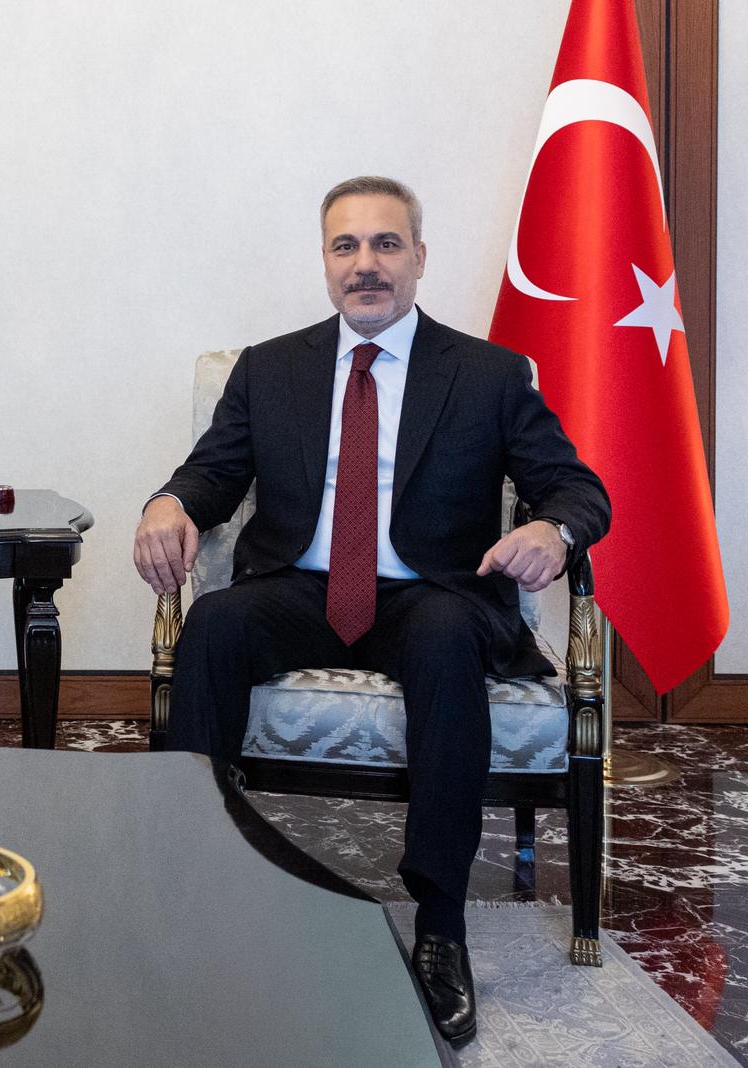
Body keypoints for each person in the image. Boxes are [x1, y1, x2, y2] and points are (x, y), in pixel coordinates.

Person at [132, 176, 610, 1046]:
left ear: (419, 257)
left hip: (435, 592)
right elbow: (213, 474)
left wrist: (552, 528)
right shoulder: (270, 368)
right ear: (325, 261)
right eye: (345, 246)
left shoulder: (488, 374)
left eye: (386, 244)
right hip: (303, 587)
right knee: (214, 624)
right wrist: (169, 503)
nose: (366, 265)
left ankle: (440, 927)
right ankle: (197, 889)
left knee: (443, 637)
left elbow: (579, 489)